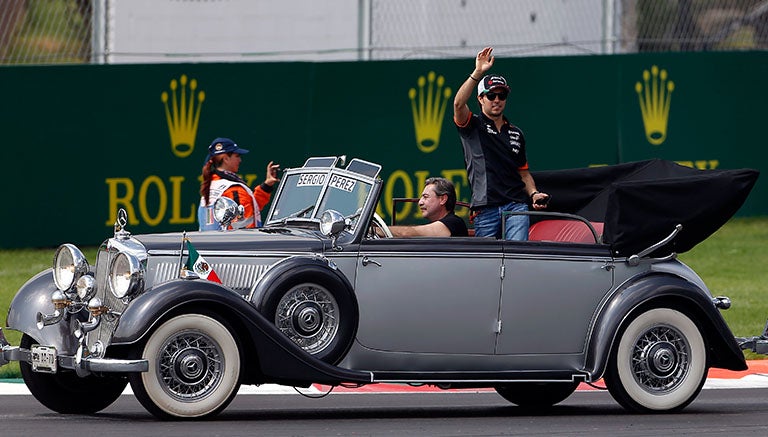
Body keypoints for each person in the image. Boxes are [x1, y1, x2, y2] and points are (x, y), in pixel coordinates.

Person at [453, 46, 549, 240]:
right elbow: (458, 104)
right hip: (485, 207)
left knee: (517, 256)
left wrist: (534, 194)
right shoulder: (472, 124)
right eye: (491, 95)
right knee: (486, 264)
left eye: (502, 95)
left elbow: (523, 172)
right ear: (480, 99)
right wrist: (478, 72)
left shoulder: (516, 133)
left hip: (516, 205)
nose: (497, 100)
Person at [198, 137, 280, 230]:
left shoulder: (212, 185)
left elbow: (249, 208)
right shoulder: (232, 189)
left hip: (212, 243)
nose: (240, 160)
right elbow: (244, 228)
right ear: (226, 159)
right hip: (236, 243)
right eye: (237, 156)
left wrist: (266, 186)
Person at [386, 177, 468, 237]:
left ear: (443, 199)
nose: (420, 202)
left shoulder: (454, 223)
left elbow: (406, 233)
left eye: (425, 197)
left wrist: (378, 230)